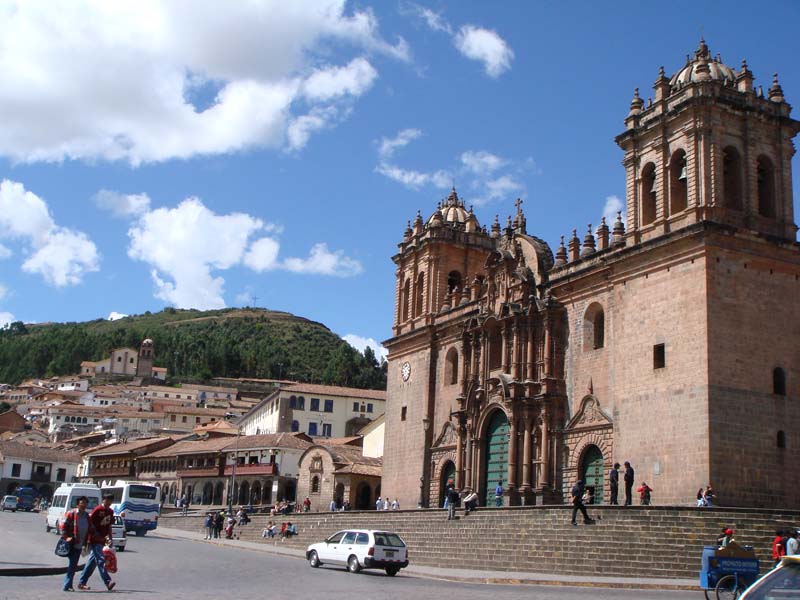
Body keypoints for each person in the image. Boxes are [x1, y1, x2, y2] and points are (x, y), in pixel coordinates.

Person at [78, 492, 116, 591]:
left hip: (103, 539)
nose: (109, 503)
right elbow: (90, 523)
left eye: (110, 501)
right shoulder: (97, 510)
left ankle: (82, 582)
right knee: (100, 559)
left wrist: (110, 538)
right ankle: (108, 582)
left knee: (92, 562)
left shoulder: (110, 511)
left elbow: (109, 526)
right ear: (103, 500)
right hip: (95, 539)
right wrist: (90, 537)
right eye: (107, 500)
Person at [61, 496, 96, 592]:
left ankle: (68, 585)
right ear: (77, 504)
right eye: (82, 503)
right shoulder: (71, 514)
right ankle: (67, 585)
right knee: (73, 565)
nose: (83, 505)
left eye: (85, 503)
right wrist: (66, 537)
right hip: (72, 543)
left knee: (73, 565)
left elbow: (91, 528)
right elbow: (63, 526)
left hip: (80, 544)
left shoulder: (87, 516)